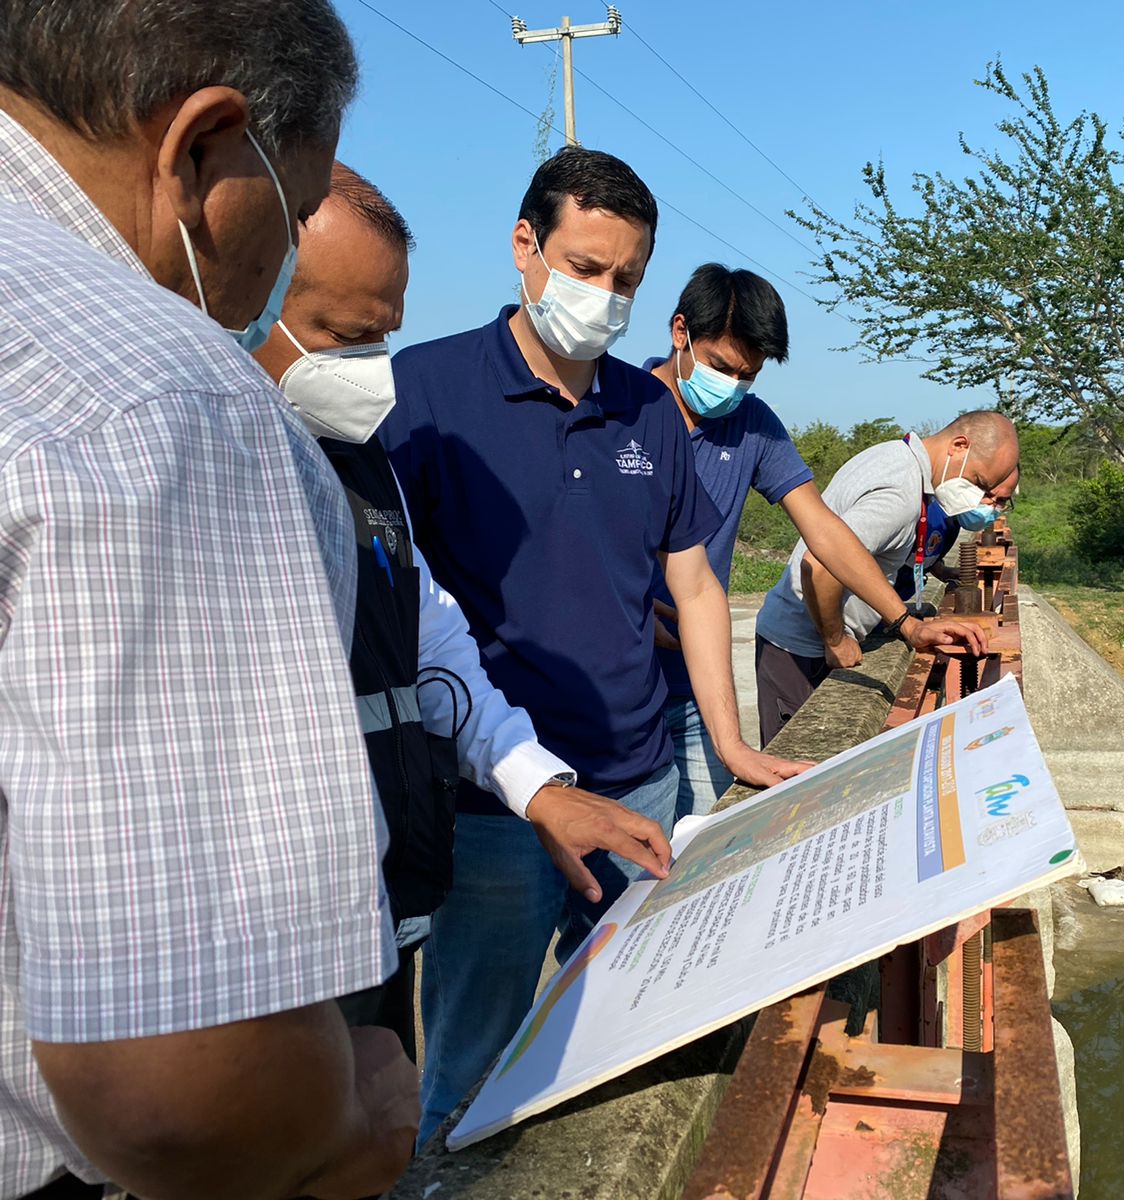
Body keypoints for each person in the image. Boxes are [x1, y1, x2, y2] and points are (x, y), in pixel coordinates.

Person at [0, 4, 419, 1199]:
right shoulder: (159, 398)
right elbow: (179, 1095)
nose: (272, 261)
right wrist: (353, 1121)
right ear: (200, 147)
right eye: (288, 208)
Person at [380, 146, 808, 1142]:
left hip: (640, 776)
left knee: (630, 1027)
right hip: (495, 803)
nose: (602, 297)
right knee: (471, 1061)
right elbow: (395, 602)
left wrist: (731, 745)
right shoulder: (425, 396)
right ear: (525, 247)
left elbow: (692, 580)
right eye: (583, 268)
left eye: (623, 280)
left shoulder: (648, 408)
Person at [250, 164, 671, 1060]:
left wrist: (540, 788)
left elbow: (433, 638)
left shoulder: (360, 466)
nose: (369, 367)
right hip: (254, 938)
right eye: (346, 334)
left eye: (382, 336)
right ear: (248, 300)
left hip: (375, 895)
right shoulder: (182, 464)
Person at [643, 264, 989, 816]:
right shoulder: (619, 409)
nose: (731, 387)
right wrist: (629, 608)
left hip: (692, 687)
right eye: (720, 367)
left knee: (706, 843)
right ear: (680, 332)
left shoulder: (752, 425)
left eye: (747, 375)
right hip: (606, 687)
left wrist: (906, 623)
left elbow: (825, 531)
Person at [754, 413, 1021, 745]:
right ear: (959, 446)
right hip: (801, 648)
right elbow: (819, 565)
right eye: (980, 481)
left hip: (808, 639)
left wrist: (906, 622)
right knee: (797, 775)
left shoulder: (896, 457)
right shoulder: (900, 491)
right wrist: (836, 639)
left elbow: (867, 557)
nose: (980, 496)